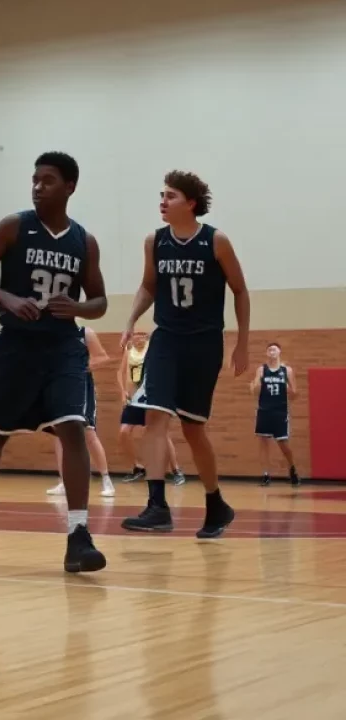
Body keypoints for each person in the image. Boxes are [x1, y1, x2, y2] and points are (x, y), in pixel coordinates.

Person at [0, 152, 108, 574]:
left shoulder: (83, 241)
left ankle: (78, 536)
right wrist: (6, 298)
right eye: (34, 180)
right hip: (17, 348)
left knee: (73, 428)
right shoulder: (14, 226)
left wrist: (79, 308)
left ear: (70, 186)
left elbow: (100, 301)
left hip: (64, 350)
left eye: (47, 180)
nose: (37, 187)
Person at [121, 170, 249, 539]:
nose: (163, 201)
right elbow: (149, 285)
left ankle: (216, 504)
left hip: (204, 344)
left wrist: (242, 342)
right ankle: (157, 506)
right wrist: (131, 318)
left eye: (171, 196)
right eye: (162, 195)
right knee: (155, 417)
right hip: (166, 341)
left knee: (194, 430)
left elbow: (239, 290)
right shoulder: (155, 241)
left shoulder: (216, 241)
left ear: (190, 203)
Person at [45, 326, 115, 498]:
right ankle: (64, 481)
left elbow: (102, 357)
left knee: (88, 433)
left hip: (81, 387)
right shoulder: (50, 334)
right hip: (58, 388)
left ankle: (106, 480)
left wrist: (78, 366)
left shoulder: (85, 333)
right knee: (58, 434)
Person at [116, 332, 186, 485]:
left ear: (147, 338)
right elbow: (120, 373)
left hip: (152, 397)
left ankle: (176, 470)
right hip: (134, 399)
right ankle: (137, 467)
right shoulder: (128, 352)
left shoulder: (153, 350)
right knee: (124, 432)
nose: (138, 338)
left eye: (142, 335)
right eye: (136, 335)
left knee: (161, 433)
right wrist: (123, 392)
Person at [251, 342, 300, 486]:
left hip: (280, 411)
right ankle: (266, 474)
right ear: (267, 353)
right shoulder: (261, 370)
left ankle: (292, 468)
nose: (272, 351)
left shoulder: (287, 370)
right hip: (264, 410)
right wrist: (257, 384)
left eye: (274, 349)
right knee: (264, 443)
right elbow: (254, 391)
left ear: (280, 352)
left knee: (283, 444)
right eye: (269, 349)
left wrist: (287, 388)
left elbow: (294, 394)